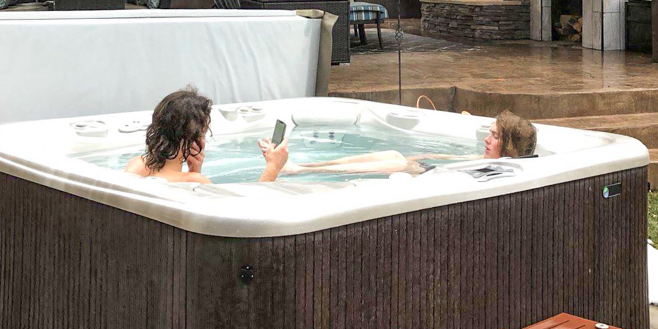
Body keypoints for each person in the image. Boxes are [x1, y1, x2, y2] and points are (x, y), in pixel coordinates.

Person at [282, 111, 536, 177]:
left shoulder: (501, 169)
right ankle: (309, 165)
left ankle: (300, 171)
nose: (486, 138)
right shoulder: (494, 161)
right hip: (434, 170)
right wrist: (428, 155)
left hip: (435, 177)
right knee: (395, 153)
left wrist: (416, 168)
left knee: (396, 162)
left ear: (509, 146)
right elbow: (461, 160)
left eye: (494, 136)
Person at [124, 87, 289, 183]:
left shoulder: (137, 165)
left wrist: (194, 170)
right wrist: (273, 168)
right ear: (194, 139)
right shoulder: (195, 182)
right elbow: (247, 214)